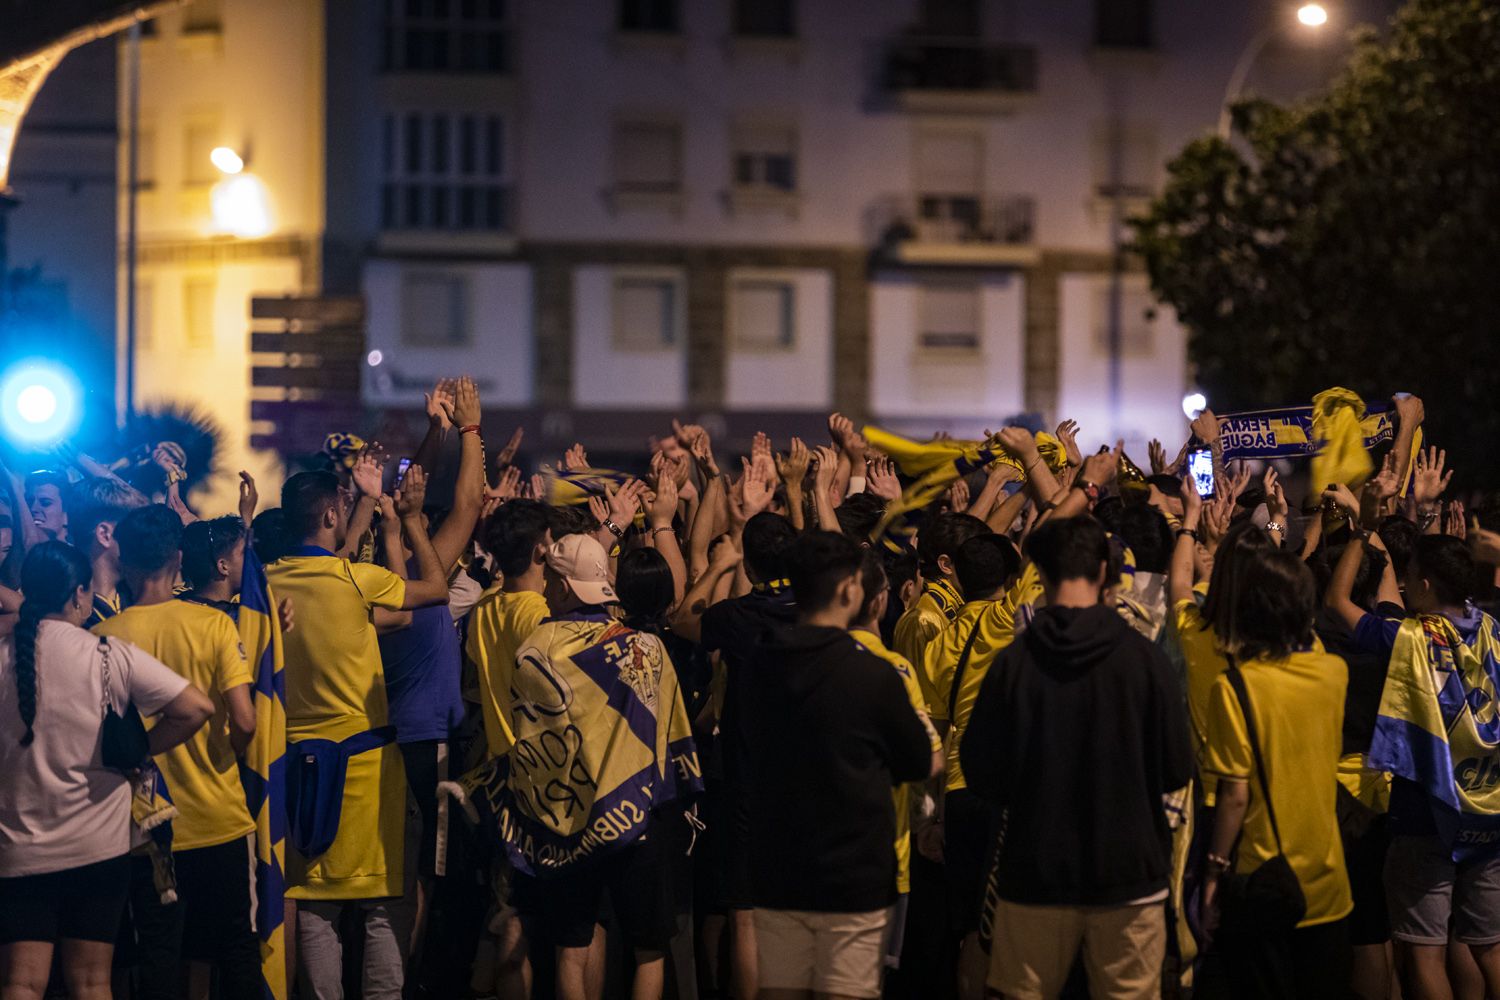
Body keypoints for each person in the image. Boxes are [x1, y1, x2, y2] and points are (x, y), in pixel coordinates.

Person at [962, 516, 1193, 1000]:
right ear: (1107, 575)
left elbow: (983, 773)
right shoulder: (1145, 660)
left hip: (1034, 872)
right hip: (1131, 876)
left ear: (1039, 574)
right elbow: (1175, 768)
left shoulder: (1014, 663)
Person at [268, 465, 454, 1000]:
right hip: (368, 772)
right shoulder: (354, 580)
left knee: (315, 905)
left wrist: (369, 507)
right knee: (384, 903)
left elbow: (386, 617)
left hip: (301, 771)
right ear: (330, 514)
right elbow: (434, 590)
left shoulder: (264, 581)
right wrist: (408, 524)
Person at [0, 542, 212, 1000]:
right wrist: (137, 751)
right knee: (93, 983)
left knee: (20, 982)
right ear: (78, 595)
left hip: (17, 844)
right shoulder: (106, 654)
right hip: (97, 846)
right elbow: (197, 708)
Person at [503, 532, 700, 1000]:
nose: (546, 588)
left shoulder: (535, 649)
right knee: (649, 951)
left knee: (571, 948)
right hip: (640, 821)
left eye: (551, 579)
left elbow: (533, 747)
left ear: (568, 588)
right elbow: (672, 738)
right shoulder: (647, 649)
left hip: (569, 827)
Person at [745, 530, 939, 1000]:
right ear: (851, 591)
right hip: (854, 876)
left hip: (777, 869)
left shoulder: (757, 666)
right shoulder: (873, 673)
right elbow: (918, 761)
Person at [93, 505, 261, 1000]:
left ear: (123, 561)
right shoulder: (212, 626)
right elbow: (246, 721)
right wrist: (225, 758)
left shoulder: (102, 638)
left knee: (160, 955)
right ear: (180, 558)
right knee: (236, 950)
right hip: (220, 819)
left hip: (143, 830)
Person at [1335, 532, 1500, 999]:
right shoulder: (1493, 629)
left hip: (1425, 813)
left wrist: (1360, 529)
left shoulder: (1405, 637)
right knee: (1490, 947)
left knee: (1426, 954)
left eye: (1409, 581)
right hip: (1488, 812)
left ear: (1424, 583)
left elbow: (1337, 600)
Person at [1201, 546, 1353, 998]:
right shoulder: (1334, 671)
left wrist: (1212, 876)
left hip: (1263, 881)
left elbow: (1235, 796)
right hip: (1328, 883)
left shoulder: (1233, 688)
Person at [894, 512, 988, 708]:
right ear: (946, 565)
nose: (985, 565)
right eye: (976, 557)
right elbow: (917, 701)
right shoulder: (923, 618)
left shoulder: (960, 605)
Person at [66, 477, 149, 628]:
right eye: (134, 530)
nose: (144, 540)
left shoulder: (140, 596)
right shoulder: (67, 612)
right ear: (105, 534)